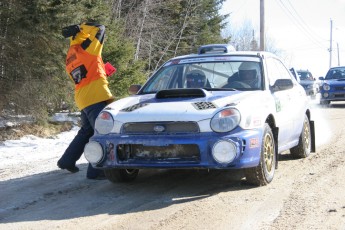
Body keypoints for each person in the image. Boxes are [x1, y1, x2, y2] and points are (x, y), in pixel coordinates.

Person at [57, 22, 115, 179]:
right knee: (102, 132)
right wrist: (81, 27)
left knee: (87, 131)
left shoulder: (70, 57)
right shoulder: (87, 50)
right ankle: (97, 171)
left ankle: (67, 161)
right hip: (95, 96)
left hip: (83, 98)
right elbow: (100, 28)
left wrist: (102, 70)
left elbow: (84, 74)